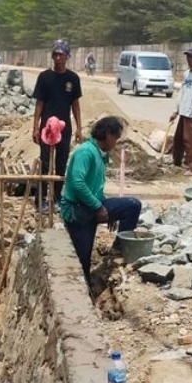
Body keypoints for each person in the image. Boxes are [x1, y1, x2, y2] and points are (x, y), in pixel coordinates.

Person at [60, 116, 142, 286]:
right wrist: (98, 207)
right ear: (108, 135)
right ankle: (84, 290)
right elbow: (77, 183)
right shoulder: (86, 152)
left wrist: (106, 209)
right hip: (78, 211)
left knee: (132, 206)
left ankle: (119, 249)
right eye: (116, 138)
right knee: (83, 261)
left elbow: (95, 188)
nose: (116, 142)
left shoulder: (99, 154)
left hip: (90, 206)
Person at [32, 39, 83, 206]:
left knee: (61, 163)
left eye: (61, 54)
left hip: (64, 128)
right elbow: (39, 103)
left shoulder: (73, 79)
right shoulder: (44, 77)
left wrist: (79, 128)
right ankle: (41, 199)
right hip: (47, 127)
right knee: (45, 163)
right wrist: (35, 127)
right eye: (56, 54)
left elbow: (75, 104)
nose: (58, 57)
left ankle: (57, 198)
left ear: (67, 56)